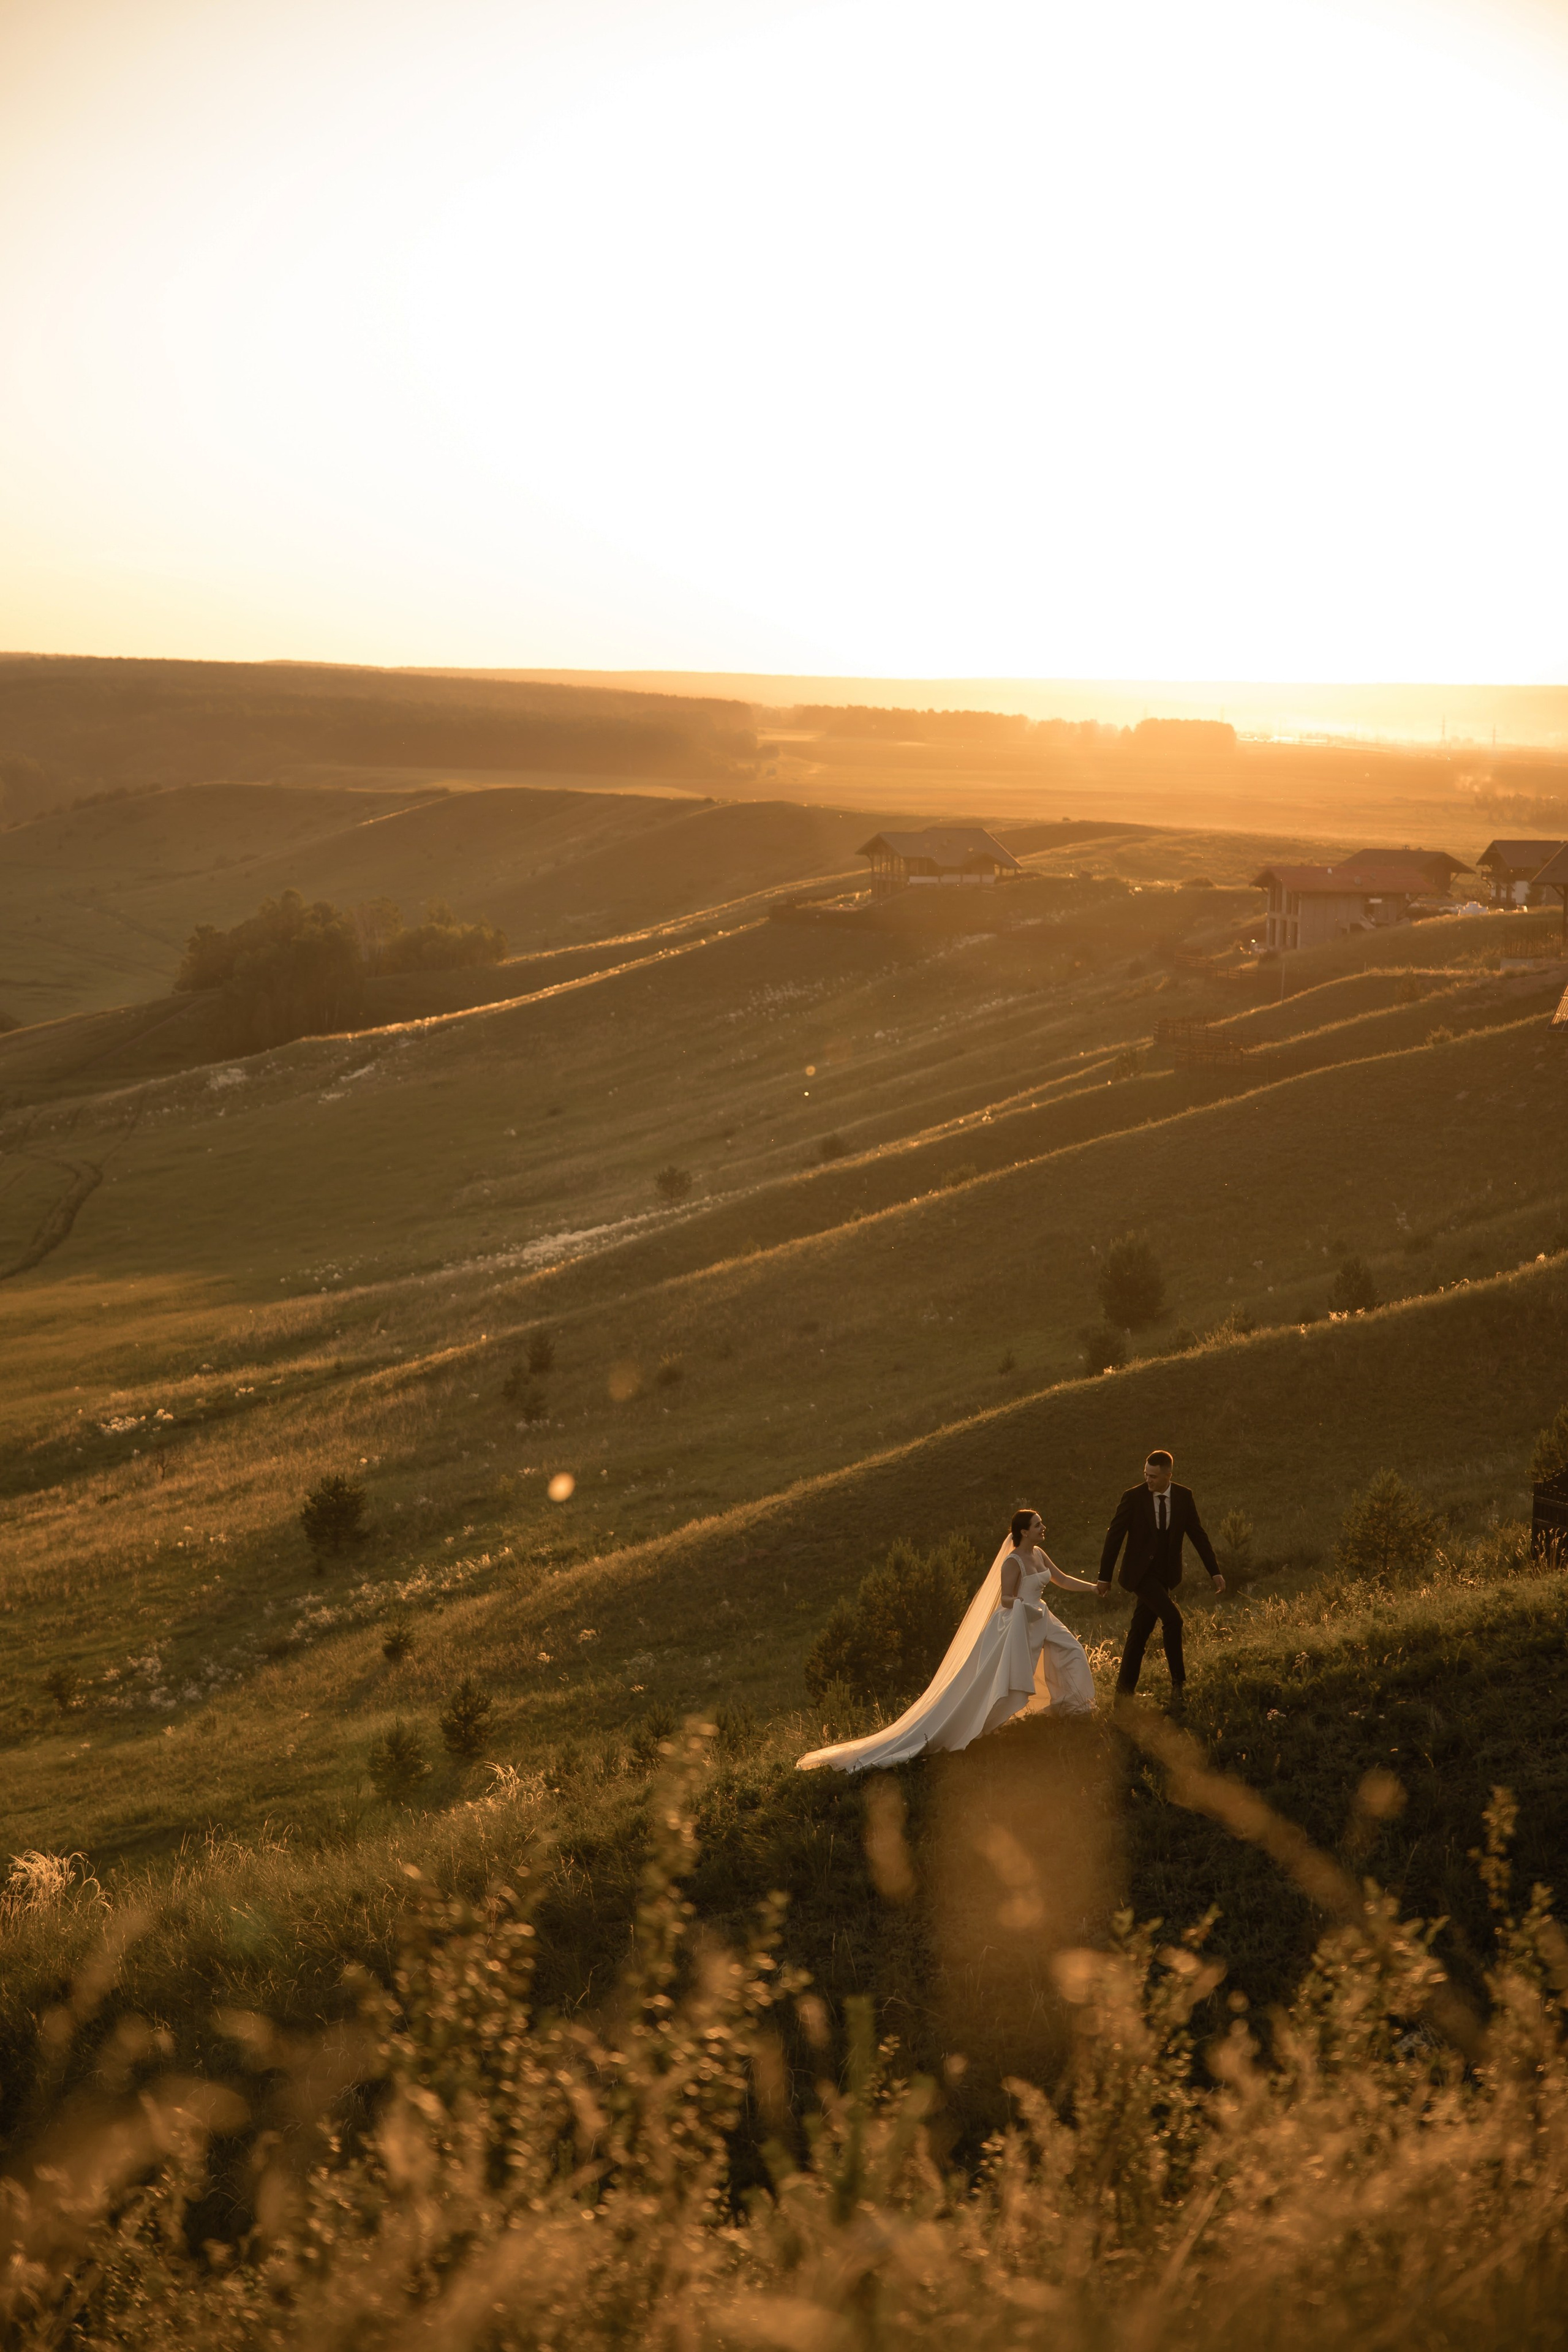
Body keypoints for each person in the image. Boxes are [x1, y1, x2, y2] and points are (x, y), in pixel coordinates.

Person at [797, 1508, 1099, 1773]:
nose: (1043, 1527)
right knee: (998, 1681)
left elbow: (1060, 1579)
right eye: (1038, 1524)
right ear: (1024, 1532)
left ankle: (1075, 1706)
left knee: (1071, 1649)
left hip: (1041, 1616)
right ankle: (979, 1723)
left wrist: (1093, 1588)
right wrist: (1022, 1605)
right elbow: (1006, 1599)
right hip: (1018, 1622)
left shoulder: (1040, 1554)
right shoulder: (1012, 1562)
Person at [1095, 1450, 1223, 1705]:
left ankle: (1123, 1694)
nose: (1148, 1480)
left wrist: (1215, 1571)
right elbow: (1114, 1537)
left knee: (1139, 1632)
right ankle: (1179, 1685)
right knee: (1173, 1619)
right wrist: (1104, 1577)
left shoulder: (1184, 1497)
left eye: (1153, 1476)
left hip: (1165, 1575)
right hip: (1140, 1575)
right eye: (1146, 1474)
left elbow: (1198, 1535)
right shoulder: (1133, 1497)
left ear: (1168, 1475)